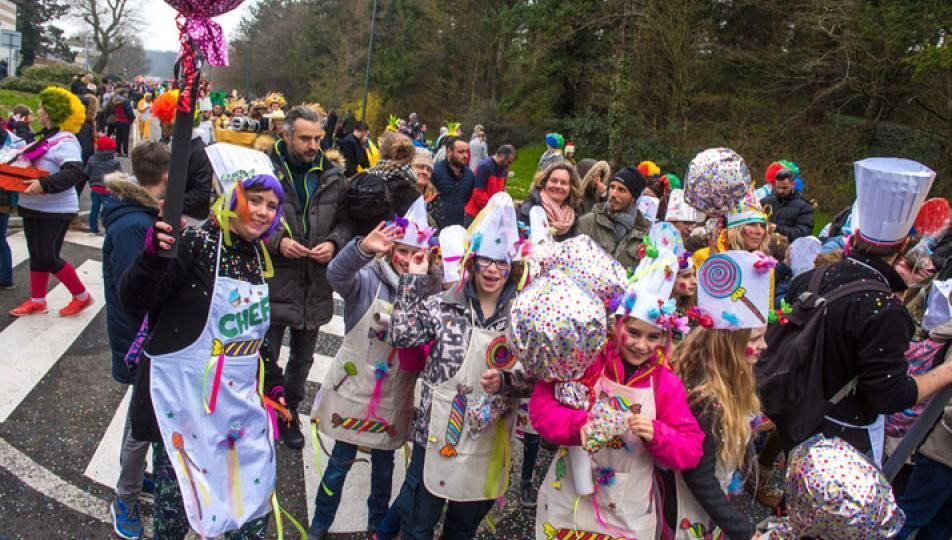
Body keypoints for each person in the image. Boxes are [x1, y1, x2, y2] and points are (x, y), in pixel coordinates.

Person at [119, 175, 286, 539]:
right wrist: (151, 258)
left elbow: (253, 334)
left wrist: (273, 383)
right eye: (254, 200)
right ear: (231, 198)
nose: (262, 212)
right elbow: (134, 300)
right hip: (184, 407)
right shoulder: (195, 242)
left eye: (271, 206)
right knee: (177, 512)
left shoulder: (257, 253)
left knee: (249, 510)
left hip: (237, 407)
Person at [782, 158, 952, 463]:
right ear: (904, 248)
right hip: (842, 438)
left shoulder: (813, 276)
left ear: (855, 236)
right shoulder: (885, 311)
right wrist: (944, 373)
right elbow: (890, 395)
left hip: (793, 415)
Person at [383, 193, 530, 540]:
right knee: (418, 526)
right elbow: (402, 336)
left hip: (487, 436)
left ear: (512, 268)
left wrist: (508, 381)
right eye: (486, 261)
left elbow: (534, 380)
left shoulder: (522, 318)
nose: (493, 270)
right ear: (473, 262)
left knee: (462, 528)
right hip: (433, 433)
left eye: (501, 262)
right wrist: (412, 282)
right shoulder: (442, 305)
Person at [530, 247, 704, 540]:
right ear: (617, 325)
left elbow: (691, 449)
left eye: (653, 337)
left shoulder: (665, 383)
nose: (641, 345)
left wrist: (657, 433)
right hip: (569, 496)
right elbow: (542, 407)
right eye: (634, 333)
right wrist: (577, 426)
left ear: (665, 338)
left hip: (627, 510)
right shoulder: (586, 360)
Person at [309, 200, 434, 539]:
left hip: (393, 395)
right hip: (354, 393)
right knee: (338, 466)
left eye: (416, 254)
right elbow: (336, 274)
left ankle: (376, 526)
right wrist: (361, 249)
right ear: (391, 249)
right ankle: (319, 525)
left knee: (383, 469)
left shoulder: (426, 296)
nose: (407, 259)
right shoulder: (366, 281)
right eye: (402, 251)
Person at [263, 106, 353, 449]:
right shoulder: (265, 169)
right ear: (285, 136)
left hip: (314, 283)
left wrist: (334, 243)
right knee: (264, 356)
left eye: (317, 138)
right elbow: (242, 215)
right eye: (304, 138)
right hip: (274, 279)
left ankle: (289, 415)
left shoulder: (332, 175)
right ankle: (263, 414)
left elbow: (346, 222)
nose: (313, 145)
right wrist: (277, 242)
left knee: (302, 359)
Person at [670, 250, 771, 540]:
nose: (764, 345)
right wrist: (744, 531)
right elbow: (698, 476)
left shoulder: (728, 379)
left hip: (711, 500)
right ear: (728, 346)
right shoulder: (708, 399)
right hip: (690, 509)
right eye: (755, 339)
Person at [101, 141, 170, 540]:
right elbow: (134, 291)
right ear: (166, 176)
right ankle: (124, 496)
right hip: (137, 339)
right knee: (139, 422)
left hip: (144, 335)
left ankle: (135, 479)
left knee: (144, 417)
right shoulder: (134, 226)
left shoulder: (141, 215)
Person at [10, 87, 94, 318]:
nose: (38, 111)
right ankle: (38, 300)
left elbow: (74, 173)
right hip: (32, 206)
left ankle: (82, 296)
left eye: (41, 107)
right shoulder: (47, 136)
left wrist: (44, 185)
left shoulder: (66, 141)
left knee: (48, 256)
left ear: (52, 112)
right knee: (36, 255)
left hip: (55, 209)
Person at [151, 90, 214, 224]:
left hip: (189, 219)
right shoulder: (173, 143)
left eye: (163, 120)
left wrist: (167, 204)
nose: (160, 125)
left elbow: (201, 192)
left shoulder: (201, 151)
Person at [575, 166, 651, 269]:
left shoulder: (645, 233)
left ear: (633, 197)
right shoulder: (588, 223)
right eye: (612, 187)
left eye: (621, 190)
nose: (613, 194)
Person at [692, 190, 771, 268]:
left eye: (763, 226)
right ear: (735, 229)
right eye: (752, 224)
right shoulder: (704, 257)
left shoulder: (766, 263)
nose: (759, 231)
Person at [517, 162, 581, 241]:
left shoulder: (575, 215)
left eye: (563, 183)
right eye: (554, 181)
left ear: (571, 188)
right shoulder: (528, 211)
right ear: (544, 182)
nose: (558, 186)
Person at [464, 144, 516, 225]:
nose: (508, 165)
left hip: (490, 214)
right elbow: (478, 193)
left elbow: (501, 192)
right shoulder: (484, 166)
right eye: (508, 161)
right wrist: (493, 209)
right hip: (475, 214)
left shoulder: (504, 170)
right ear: (501, 155)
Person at [761, 163, 814, 241]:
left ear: (793, 184)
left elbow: (803, 233)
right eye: (778, 187)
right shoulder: (766, 201)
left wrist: (777, 229)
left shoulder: (804, 207)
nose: (780, 191)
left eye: (784, 188)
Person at [430, 136, 475, 227]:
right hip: (438, 227)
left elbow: (468, 198)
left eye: (467, 152)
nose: (465, 155)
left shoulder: (470, 175)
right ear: (449, 152)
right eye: (461, 152)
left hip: (460, 226)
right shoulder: (435, 172)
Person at [84, 135, 122, 235]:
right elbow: (119, 175)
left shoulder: (92, 159)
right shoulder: (114, 162)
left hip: (95, 188)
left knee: (94, 209)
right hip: (108, 189)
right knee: (108, 210)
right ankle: (107, 229)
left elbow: (86, 173)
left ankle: (93, 229)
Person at [412, 147, 444, 227]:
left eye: (429, 169)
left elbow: (440, 226)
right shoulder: (400, 194)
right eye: (420, 167)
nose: (425, 172)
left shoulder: (434, 198)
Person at [108, 88, 135, 157]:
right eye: (126, 93)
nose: (127, 94)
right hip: (125, 121)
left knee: (118, 137)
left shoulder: (115, 100)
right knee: (125, 137)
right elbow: (129, 111)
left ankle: (118, 151)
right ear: (124, 93)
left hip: (117, 120)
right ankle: (125, 152)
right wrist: (132, 118)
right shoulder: (125, 101)